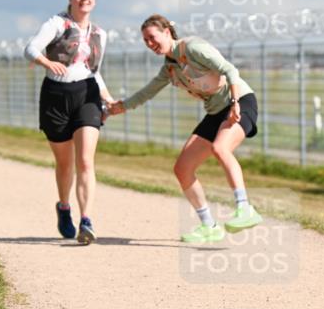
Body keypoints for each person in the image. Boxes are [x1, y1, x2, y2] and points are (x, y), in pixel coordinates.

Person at [109, 15, 262, 243]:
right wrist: (120, 107)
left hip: (240, 102)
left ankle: (245, 208)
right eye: (145, 41)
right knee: (182, 168)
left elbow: (230, 70)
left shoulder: (193, 48)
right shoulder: (170, 68)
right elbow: (147, 92)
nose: (150, 44)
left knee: (221, 148)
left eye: (152, 37)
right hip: (214, 112)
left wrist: (236, 103)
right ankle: (209, 226)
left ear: (167, 32)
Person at [24, 0, 115, 245]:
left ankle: (86, 220)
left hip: (86, 94)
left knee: (86, 160)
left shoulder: (100, 34)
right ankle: (64, 206)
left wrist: (108, 99)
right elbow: (30, 48)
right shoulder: (57, 23)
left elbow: (94, 72)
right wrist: (46, 63)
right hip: (56, 95)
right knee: (65, 163)